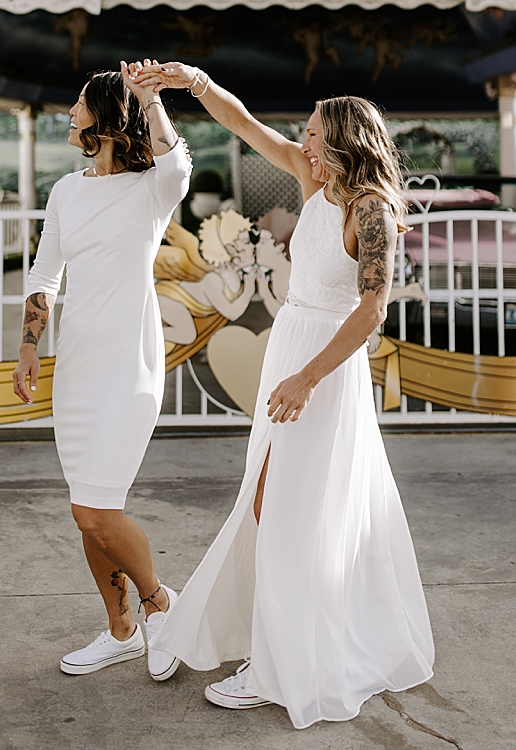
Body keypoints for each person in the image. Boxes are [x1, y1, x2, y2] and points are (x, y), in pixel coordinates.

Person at [136, 63, 434, 728]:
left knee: (288, 508)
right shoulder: (313, 183)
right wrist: (194, 81)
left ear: (343, 141)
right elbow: (243, 125)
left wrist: (308, 378)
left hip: (323, 371)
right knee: (273, 502)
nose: (300, 143)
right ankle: (276, 643)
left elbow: (371, 310)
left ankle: (278, 669)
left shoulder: (371, 210)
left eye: (312, 133)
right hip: (292, 347)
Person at [14, 62, 191, 682]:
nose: (69, 112)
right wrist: (29, 346)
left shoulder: (148, 191)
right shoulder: (66, 191)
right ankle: (121, 631)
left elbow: (176, 165)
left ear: (109, 117)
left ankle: (159, 604)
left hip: (128, 365)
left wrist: (149, 96)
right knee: (86, 507)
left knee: (96, 511)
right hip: (79, 369)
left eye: (79, 103)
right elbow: (44, 275)